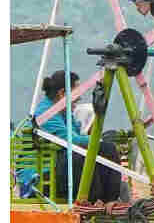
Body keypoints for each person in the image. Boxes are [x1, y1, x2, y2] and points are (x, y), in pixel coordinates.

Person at [22, 70, 122, 204]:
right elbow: (72, 141)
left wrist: (99, 140)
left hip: (56, 167)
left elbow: (78, 136)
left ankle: (109, 200)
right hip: (41, 178)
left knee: (106, 149)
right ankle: (93, 202)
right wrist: (99, 140)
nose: (78, 100)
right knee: (86, 154)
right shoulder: (46, 113)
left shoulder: (64, 112)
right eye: (77, 95)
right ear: (62, 93)